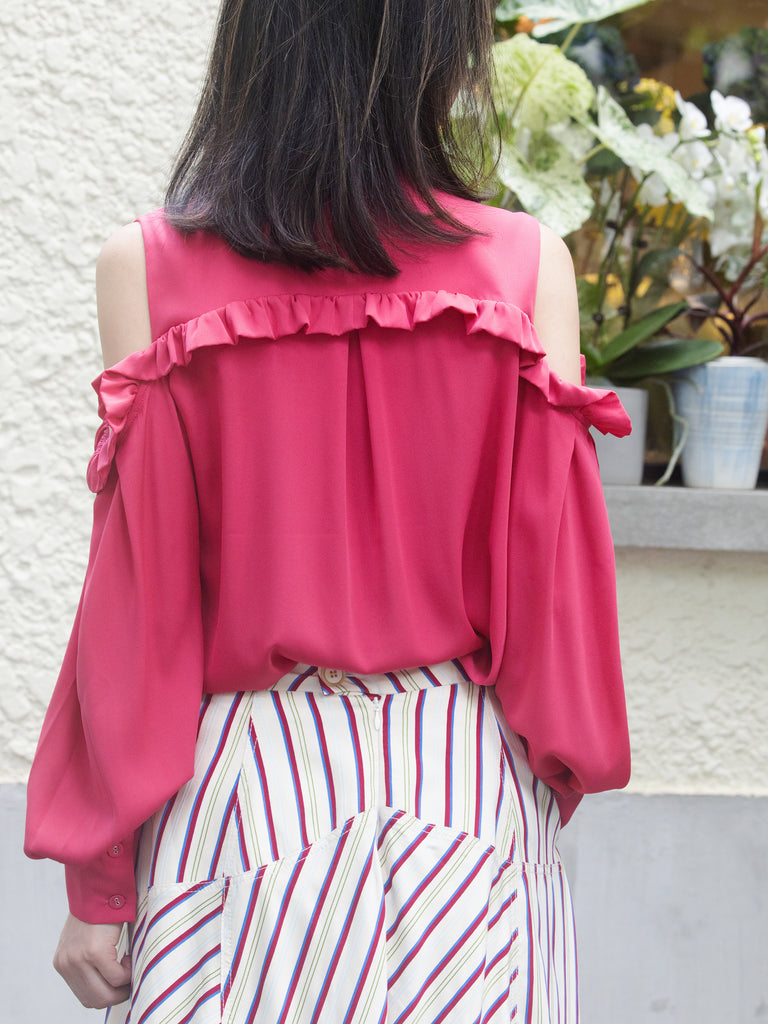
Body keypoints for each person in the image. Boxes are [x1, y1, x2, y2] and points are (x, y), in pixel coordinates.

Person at [25, 0, 631, 1021]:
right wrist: (544, 781)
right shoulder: (527, 267)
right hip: (462, 786)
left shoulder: (150, 266)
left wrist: (100, 874)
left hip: (242, 796)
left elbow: (143, 600)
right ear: (439, 47)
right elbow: (554, 602)